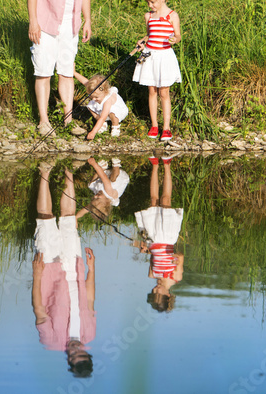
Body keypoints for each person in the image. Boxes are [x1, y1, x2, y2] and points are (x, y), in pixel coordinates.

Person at [28, 0, 93, 137]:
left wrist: (87, 20)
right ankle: (44, 122)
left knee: (66, 71)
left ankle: (68, 121)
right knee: (44, 71)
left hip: (71, 24)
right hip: (45, 23)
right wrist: (33, 22)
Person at [32, 162, 96, 377]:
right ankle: (69, 171)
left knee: (45, 220)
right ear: (87, 353)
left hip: (49, 273)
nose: (76, 349)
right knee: (69, 220)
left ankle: (45, 171)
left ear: (68, 360)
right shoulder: (90, 334)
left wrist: (37, 274)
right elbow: (89, 301)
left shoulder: (50, 341)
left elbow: (39, 309)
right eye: (82, 353)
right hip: (75, 269)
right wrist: (92, 270)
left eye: (73, 355)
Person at [133, 153, 184, 313]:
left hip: (153, 238)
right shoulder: (175, 277)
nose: (155, 289)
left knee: (153, 200)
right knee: (166, 199)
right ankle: (167, 164)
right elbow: (180, 257)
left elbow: (152, 255)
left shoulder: (152, 275)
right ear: (167, 295)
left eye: (153, 292)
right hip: (167, 238)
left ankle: (155, 165)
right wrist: (175, 260)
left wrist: (145, 249)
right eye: (157, 293)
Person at [132, 0, 182, 141]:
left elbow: (178, 35)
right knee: (152, 91)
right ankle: (154, 125)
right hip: (150, 56)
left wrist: (175, 39)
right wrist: (142, 42)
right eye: (148, 2)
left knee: (164, 92)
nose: (150, 5)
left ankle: (166, 128)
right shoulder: (149, 16)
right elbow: (149, 35)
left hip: (164, 56)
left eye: (152, 2)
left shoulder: (172, 15)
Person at [73, 71, 129, 140]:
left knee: (112, 111)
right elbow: (85, 82)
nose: (93, 99)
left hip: (118, 112)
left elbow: (103, 117)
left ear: (105, 91)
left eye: (96, 97)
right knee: (90, 105)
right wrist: (74, 73)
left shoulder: (108, 100)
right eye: (92, 96)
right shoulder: (97, 90)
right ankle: (103, 124)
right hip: (104, 112)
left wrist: (93, 132)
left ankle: (115, 126)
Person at [77, 157, 130, 221]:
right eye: (98, 198)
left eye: (94, 198)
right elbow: (104, 178)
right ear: (106, 202)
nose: (95, 196)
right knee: (113, 181)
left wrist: (76, 218)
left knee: (91, 185)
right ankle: (116, 164)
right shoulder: (109, 193)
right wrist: (94, 164)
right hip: (119, 178)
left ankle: (103, 168)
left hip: (106, 178)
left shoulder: (98, 201)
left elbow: (85, 209)